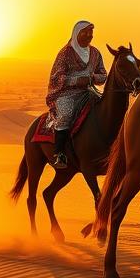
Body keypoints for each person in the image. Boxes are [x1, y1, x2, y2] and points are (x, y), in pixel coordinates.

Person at [45, 21, 107, 169]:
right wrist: (77, 80)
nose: (89, 35)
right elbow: (56, 77)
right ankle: (59, 154)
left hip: (88, 91)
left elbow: (103, 75)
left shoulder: (95, 53)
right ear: (76, 33)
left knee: (104, 108)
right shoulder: (66, 52)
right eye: (85, 32)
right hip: (67, 93)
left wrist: (93, 78)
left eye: (91, 33)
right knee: (66, 114)